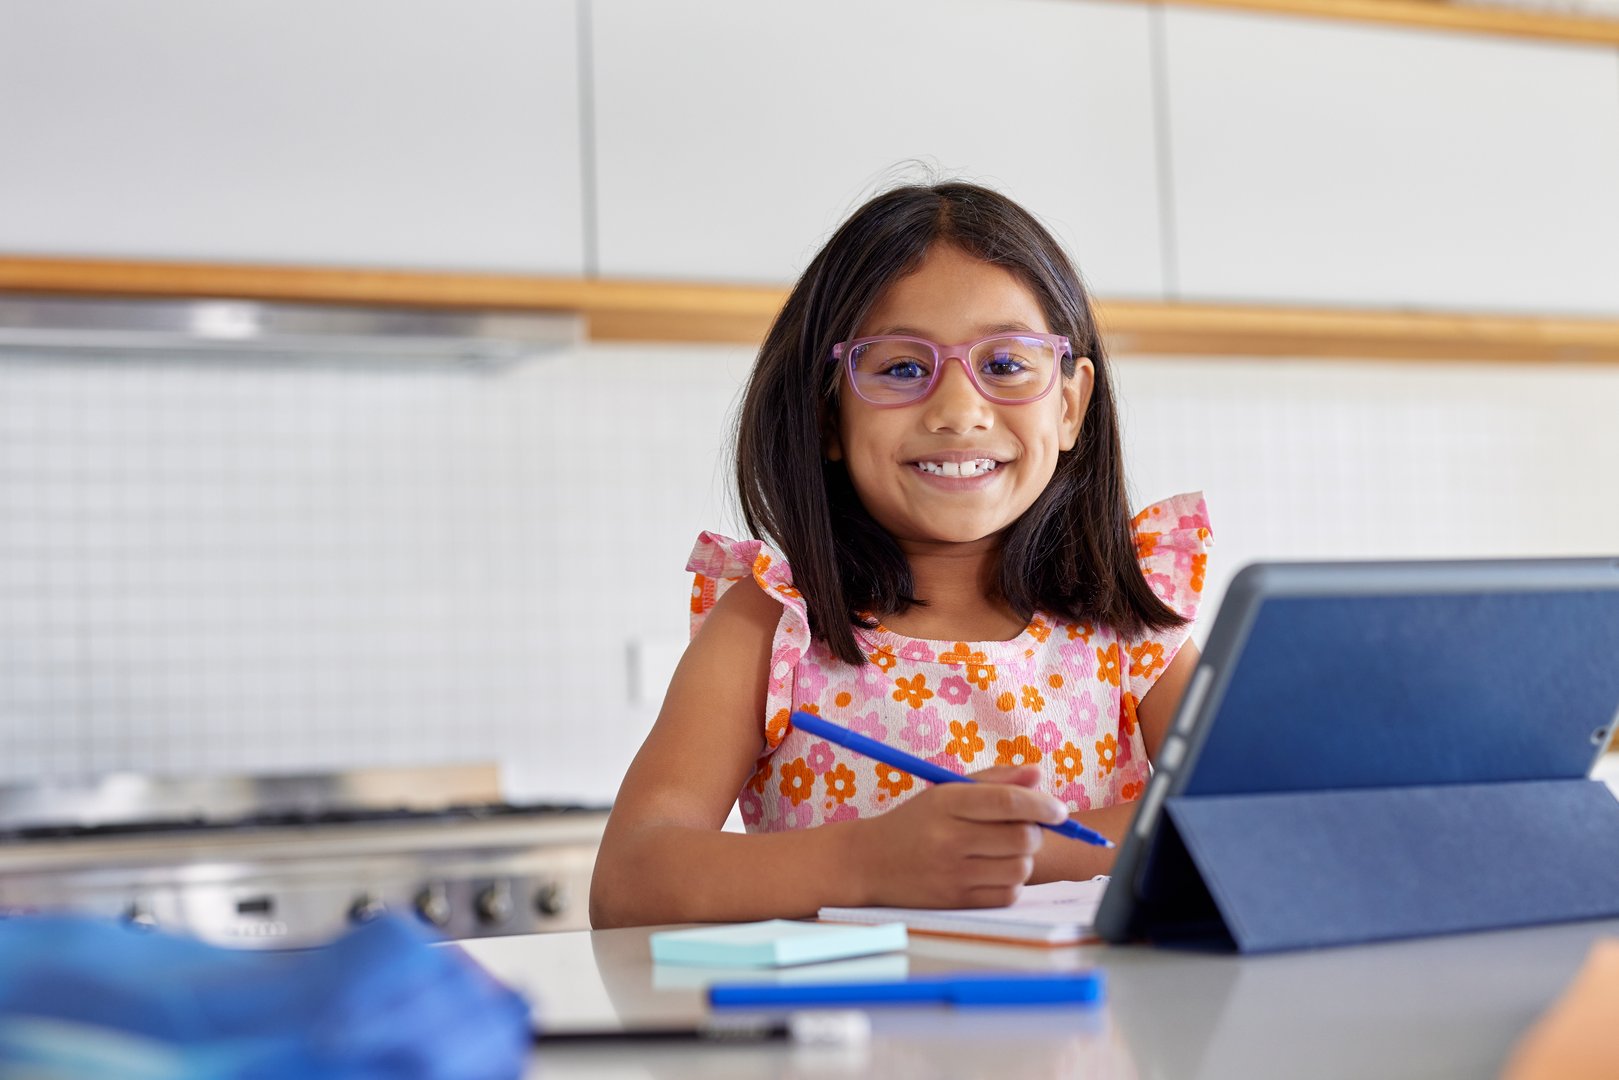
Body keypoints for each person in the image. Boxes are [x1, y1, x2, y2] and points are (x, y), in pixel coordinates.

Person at [590, 181, 1211, 928]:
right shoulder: (772, 626)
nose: (956, 411)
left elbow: (1222, 820)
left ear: (1070, 405)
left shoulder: (1131, 628)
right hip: (844, 1040)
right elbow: (630, 881)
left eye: (1006, 364)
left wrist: (1008, 852)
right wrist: (872, 863)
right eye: (901, 369)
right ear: (828, 416)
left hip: (1087, 1038)